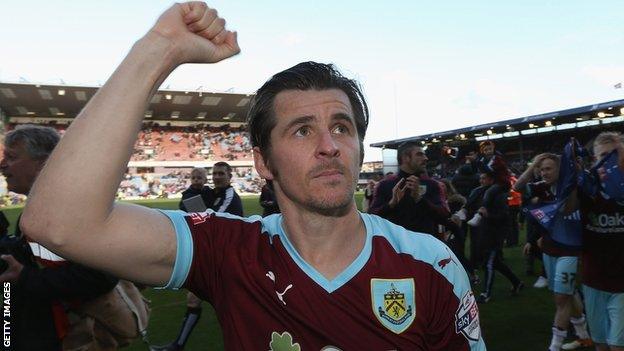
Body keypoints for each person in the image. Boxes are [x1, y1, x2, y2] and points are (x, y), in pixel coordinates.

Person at [20, 3, 486, 349]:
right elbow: (58, 223)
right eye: (303, 130)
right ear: (263, 163)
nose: (329, 145)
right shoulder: (229, 251)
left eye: (341, 127)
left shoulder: (431, 264)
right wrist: (157, 51)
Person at [0, 125, 118, 350]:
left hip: (59, 337)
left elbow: (102, 275)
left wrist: (25, 277)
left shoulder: (71, 209)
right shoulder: (36, 210)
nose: (3, 164)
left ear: (44, 164)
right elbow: (25, 260)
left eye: (12, 157)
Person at [153, 162, 241, 350]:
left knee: (236, 305)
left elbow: (212, 222)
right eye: (215, 173)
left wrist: (192, 212)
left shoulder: (229, 195)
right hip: (212, 256)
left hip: (230, 258)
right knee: (194, 299)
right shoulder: (211, 193)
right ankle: (178, 345)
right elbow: (197, 217)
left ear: (230, 176)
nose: (217, 176)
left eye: (221, 173)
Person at [514, 153, 591, 351]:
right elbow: (517, 187)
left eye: (548, 168)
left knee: (561, 298)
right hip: (549, 249)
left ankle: (554, 346)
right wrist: (533, 166)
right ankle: (583, 336)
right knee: (569, 293)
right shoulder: (542, 187)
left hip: (570, 250)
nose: (544, 172)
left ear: (560, 169)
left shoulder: (574, 186)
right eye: (542, 169)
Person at [565, 132, 624, 351]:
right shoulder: (588, 188)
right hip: (594, 279)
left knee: (617, 346)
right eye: (603, 156)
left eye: (615, 154)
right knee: (601, 344)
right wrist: (571, 180)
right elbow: (568, 209)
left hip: (622, 282)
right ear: (594, 159)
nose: (608, 161)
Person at [369, 142, 450, 235]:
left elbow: (445, 214)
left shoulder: (432, 184)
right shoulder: (385, 184)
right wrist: (391, 204)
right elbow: (372, 217)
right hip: (396, 245)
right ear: (406, 158)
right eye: (420, 155)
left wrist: (420, 200)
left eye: (425, 155)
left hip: (424, 244)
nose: (426, 158)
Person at [475, 171, 523, 303]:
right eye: (481, 178)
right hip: (488, 233)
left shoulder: (498, 195)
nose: (481, 181)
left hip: (495, 235)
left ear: (491, 180)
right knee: (495, 263)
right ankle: (517, 282)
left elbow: (503, 216)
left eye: (484, 178)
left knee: (489, 264)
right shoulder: (487, 193)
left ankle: (486, 294)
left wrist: (487, 215)